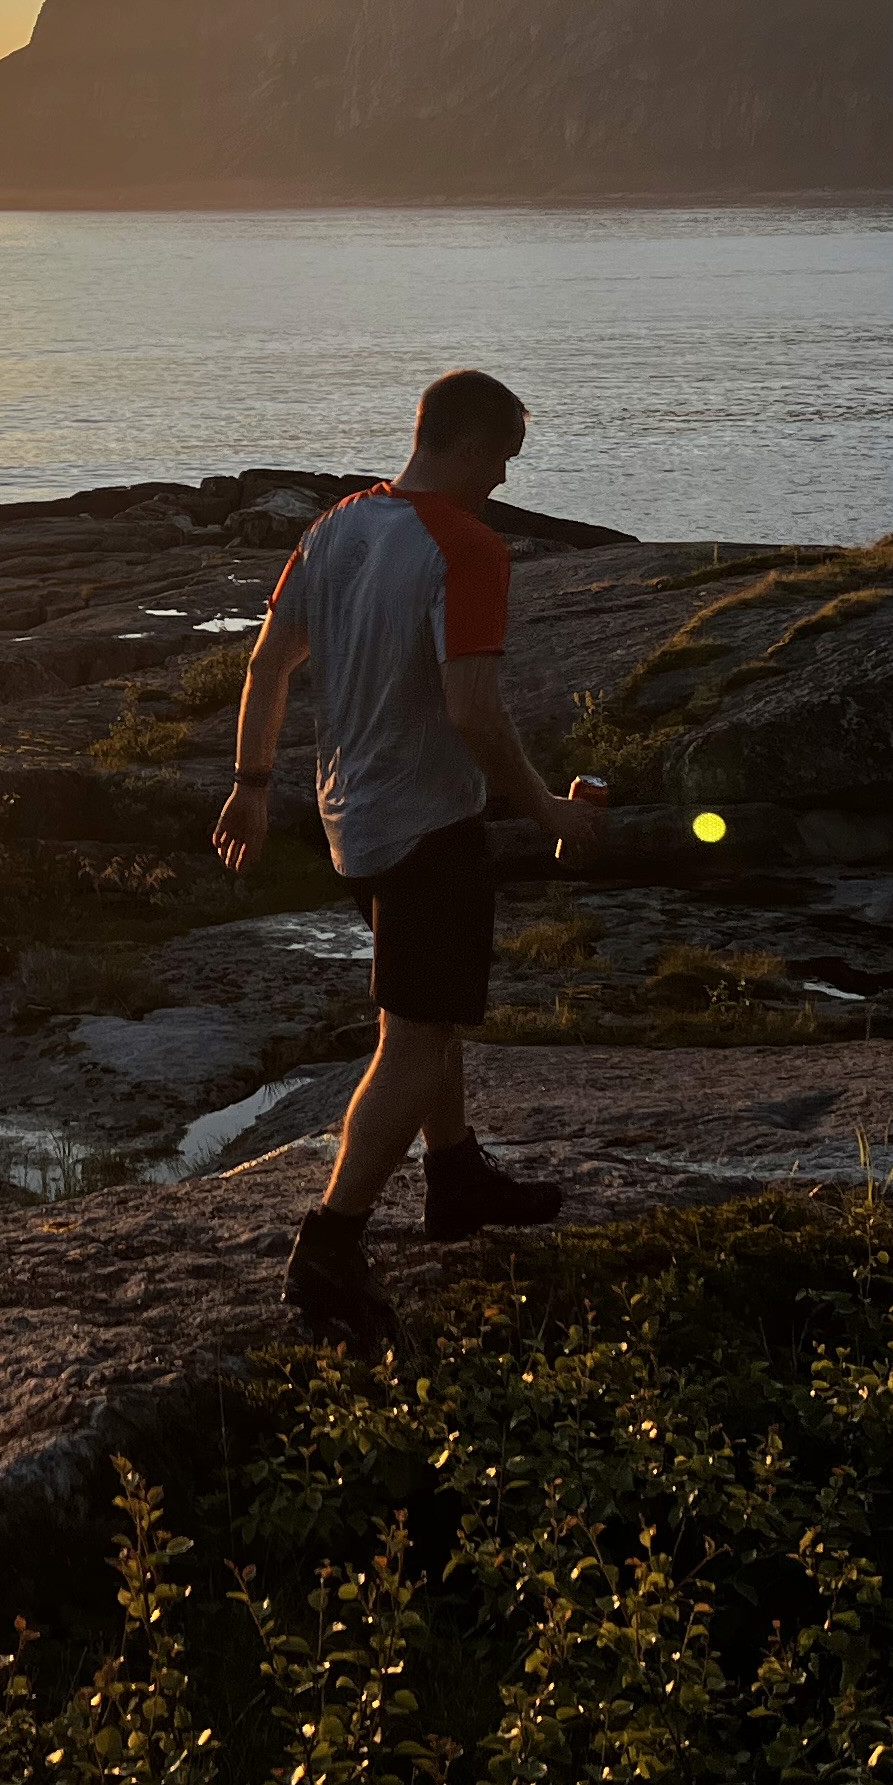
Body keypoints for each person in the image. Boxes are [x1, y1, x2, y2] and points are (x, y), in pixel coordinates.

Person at [210, 368, 591, 1344]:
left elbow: (267, 664)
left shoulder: (335, 526)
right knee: (418, 1038)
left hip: (350, 820)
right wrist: (545, 806)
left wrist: (252, 785)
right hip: (428, 829)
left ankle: (455, 1175)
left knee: (425, 1011)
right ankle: (330, 1245)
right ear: (467, 446)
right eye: (503, 459)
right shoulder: (468, 546)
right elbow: (475, 712)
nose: (504, 480)